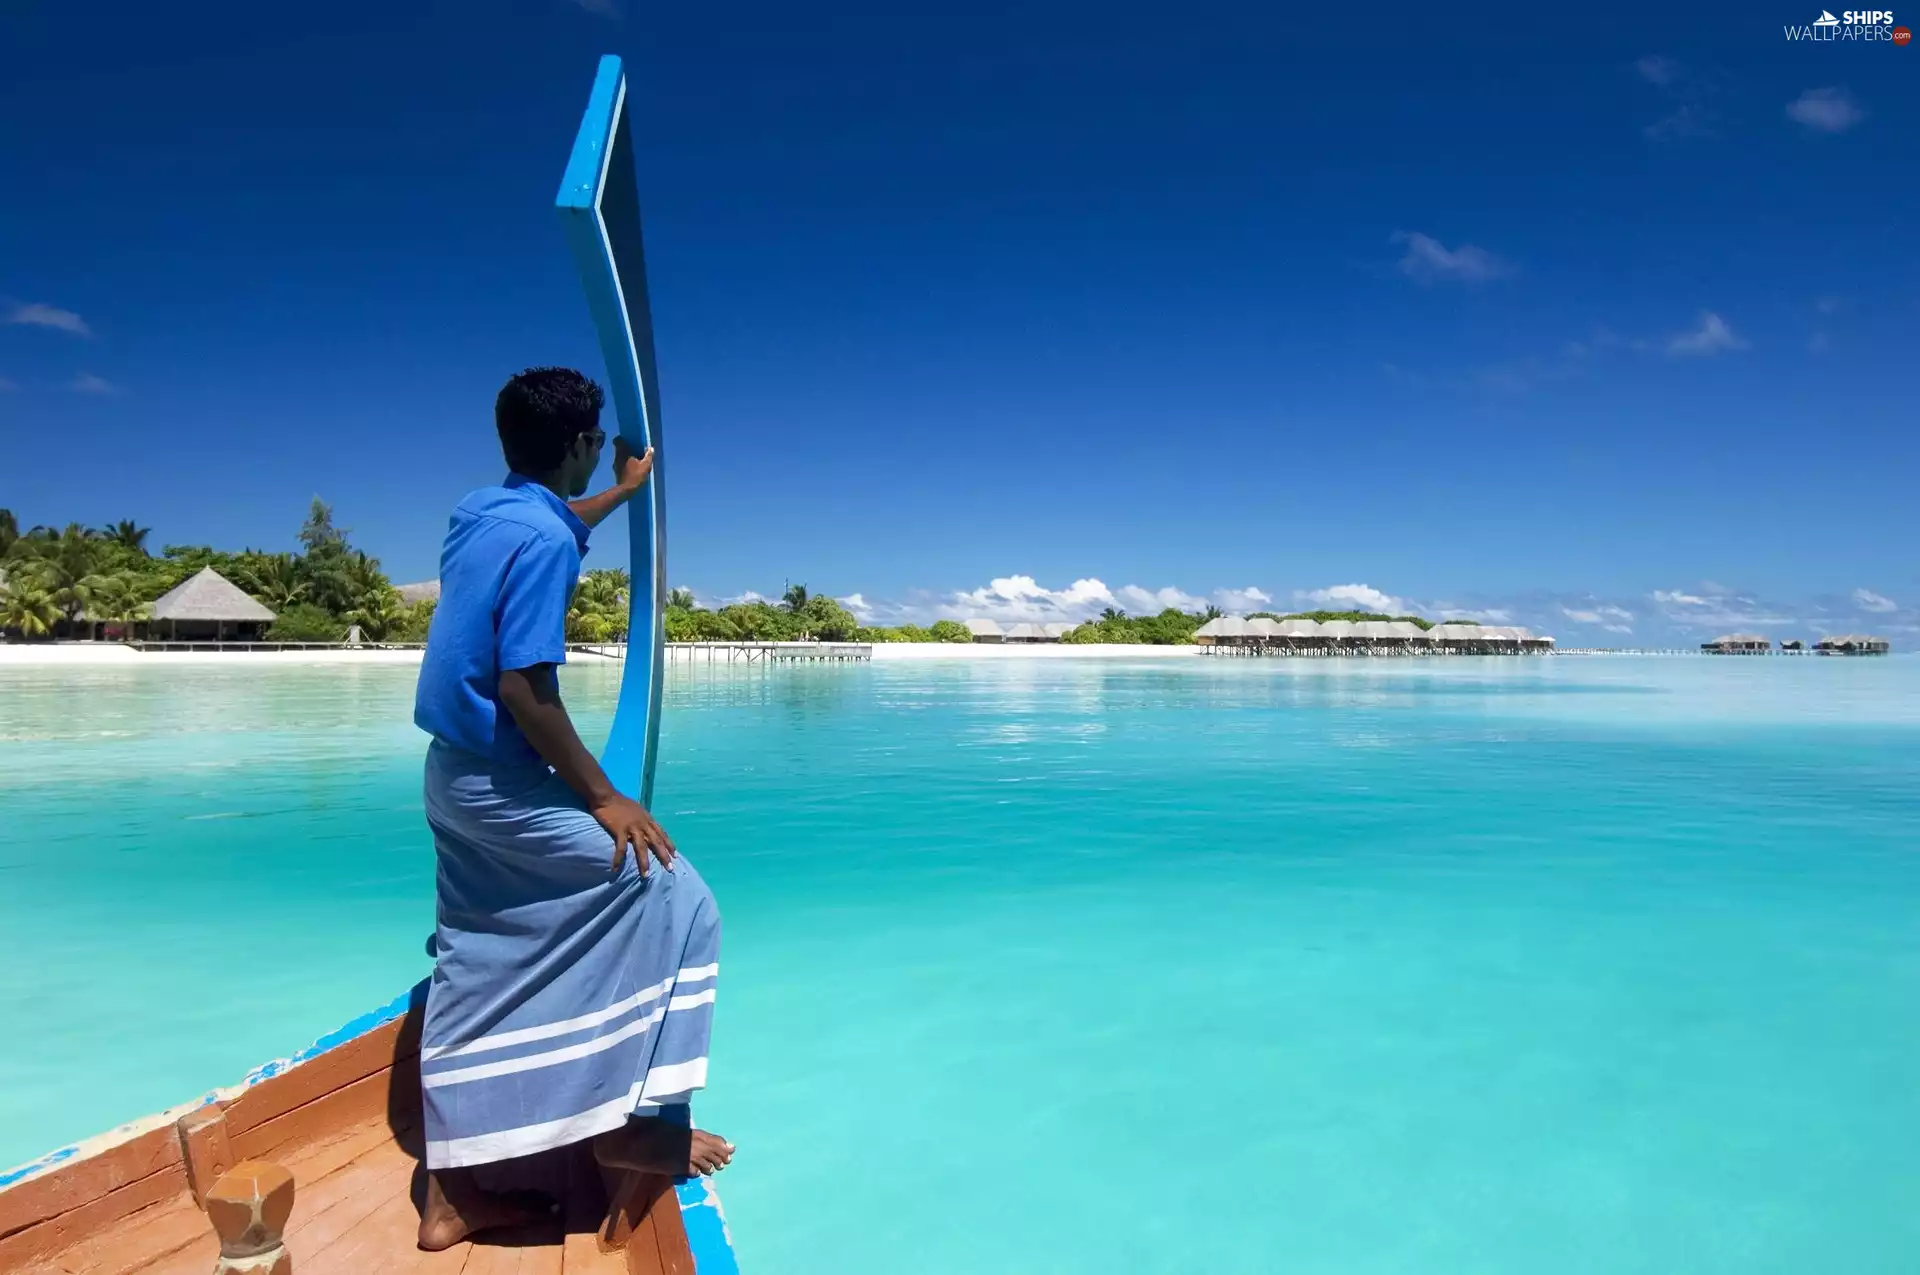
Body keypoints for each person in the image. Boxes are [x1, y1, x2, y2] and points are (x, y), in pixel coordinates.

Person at [410, 367, 733, 1251]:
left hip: (451, 776)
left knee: (479, 953)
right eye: (596, 445)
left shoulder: (483, 512)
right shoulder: (541, 541)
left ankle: (449, 1195)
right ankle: (632, 1122)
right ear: (583, 441)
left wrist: (621, 496)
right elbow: (524, 686)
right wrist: (603, 796)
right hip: (505, 786)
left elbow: (557, 520)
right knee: (677, 897)